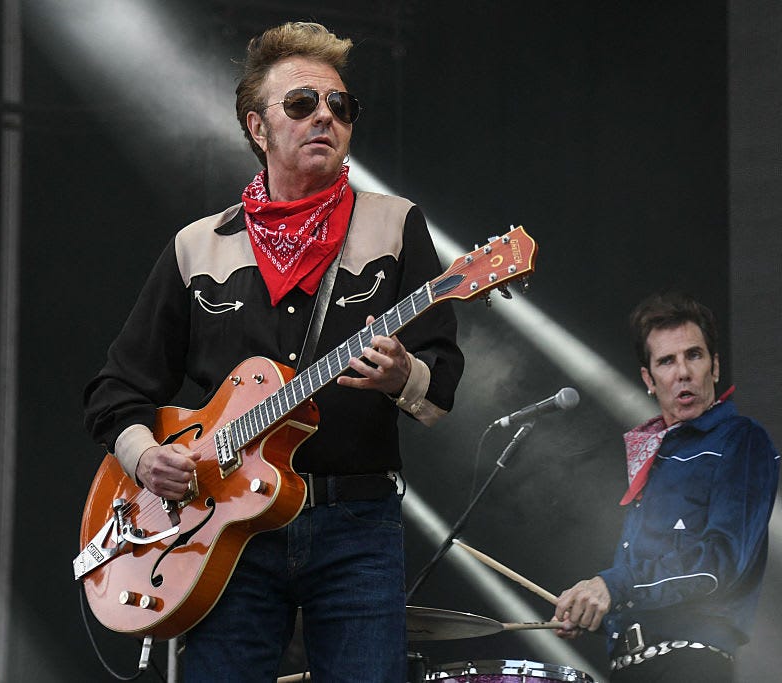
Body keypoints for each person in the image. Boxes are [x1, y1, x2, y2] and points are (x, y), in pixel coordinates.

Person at [82, 21, 464, 682]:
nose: (325, 116)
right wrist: (145, 459)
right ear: (257, 128)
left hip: (355, 523)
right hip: (221, 537)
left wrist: (405, 374)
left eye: (339, 106)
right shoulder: (197, 247)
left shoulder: (396, 225)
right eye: (302, 104)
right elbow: (117, 387)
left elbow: (442, 382)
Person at [553, 292, 780, 682]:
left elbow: (717, 564)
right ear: (648, 379)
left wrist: (614, 584)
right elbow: (643, 583)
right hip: (629, 667)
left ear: (715, 367)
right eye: (667, 361)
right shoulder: (654, 455)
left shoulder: (740, 439)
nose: (683, 372)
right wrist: (596, 610)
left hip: (689, 663)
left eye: (694, 355)